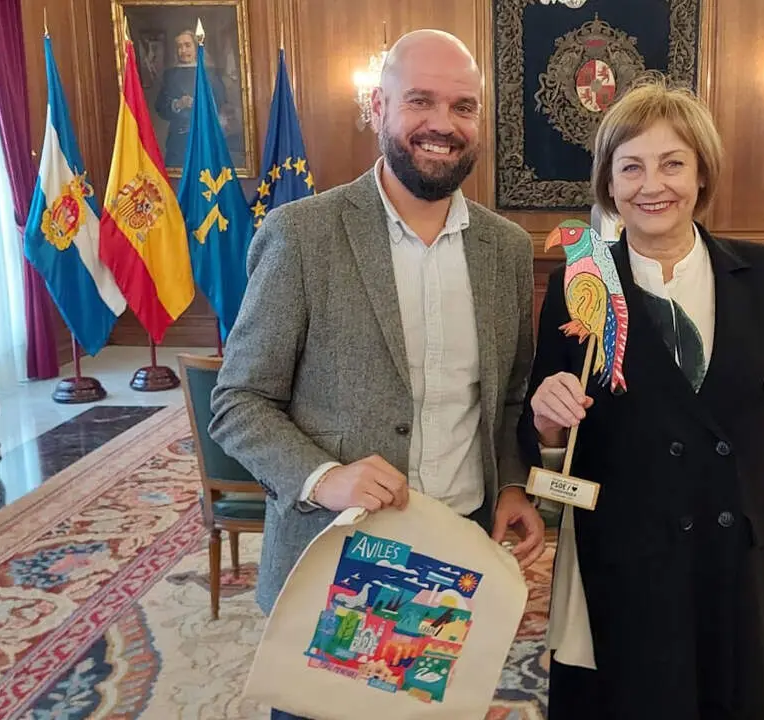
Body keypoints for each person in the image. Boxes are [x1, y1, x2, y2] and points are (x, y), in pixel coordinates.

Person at [209, 29, 546, 720]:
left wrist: (512, 482)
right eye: (420, 101)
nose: (443, 124)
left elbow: (511, 395)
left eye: (463, 106)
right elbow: (239, 401)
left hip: (455, 554)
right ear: (378, 107)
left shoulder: (507, 249)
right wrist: (322, 477)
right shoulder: (303, 234)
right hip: (335, 552)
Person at [520, 79, 764, 719]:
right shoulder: (580, 283)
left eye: (672, 163)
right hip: (626, 553)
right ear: (609, 183)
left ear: (702, 174)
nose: (653, 185)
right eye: (631, 167)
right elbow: (544, 433)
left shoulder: (763, 275)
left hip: (734, 546)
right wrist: (545, 419)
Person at [153, 29, 231, 167]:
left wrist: (200, 103)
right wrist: (177, 104)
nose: (183, 50)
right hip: (178, 141)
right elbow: (160, 106)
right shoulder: (170, 75)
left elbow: (221, 101)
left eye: (187, 45)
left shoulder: (210, 74)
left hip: (205, 136)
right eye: (179, 46)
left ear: (196, 47)